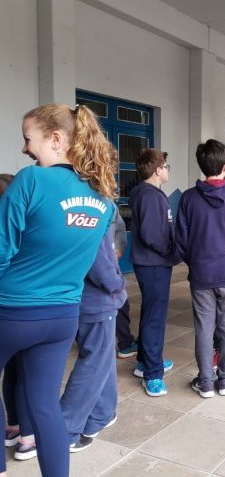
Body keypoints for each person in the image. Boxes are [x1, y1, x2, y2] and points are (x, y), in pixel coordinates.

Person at [0, 103, 117, 477]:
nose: (25, 148)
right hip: (63, 317)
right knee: (45, 407)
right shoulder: (103, 200)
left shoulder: (31, 180)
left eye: (27, 138)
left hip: (11, 312)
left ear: (54, 138)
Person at [176, 139, 225, 398]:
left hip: (202, 273)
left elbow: (181, 240)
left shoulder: (188, 198)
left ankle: (206, 382)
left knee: (203, 327)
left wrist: (196, 261)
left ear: (201, 165)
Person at [60, 217, 126, 452]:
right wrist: (117, 285)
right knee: (93, 363)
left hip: (72, 297)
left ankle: (102, 413)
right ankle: (65, 430)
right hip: (95, 301)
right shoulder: (94, 212)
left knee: (103, 357)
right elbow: (101, 265)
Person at [129, 149, 181, 397]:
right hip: (153, 264)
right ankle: (152, 373)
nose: (168, 170)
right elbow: (152, 235)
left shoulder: (147, 192)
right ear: (158, 170)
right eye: (166, 167)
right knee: (155, 318)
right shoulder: (149, 195)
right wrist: (171, 251)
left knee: (151, 312)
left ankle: (145, 361)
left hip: (151, 262)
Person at [1, 174, 36, 462]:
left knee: (12, 371)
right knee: (27, 373)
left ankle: (12, 425)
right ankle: (27, 437)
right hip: (21, 308)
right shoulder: (21, 227)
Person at [113, 205, 137, 359]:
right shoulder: (106, 204)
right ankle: (125, 343)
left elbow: (120, 229)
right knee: (119, 299)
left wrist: (119, 248)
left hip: (77, 264)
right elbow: (119, 229)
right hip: (104, 263)